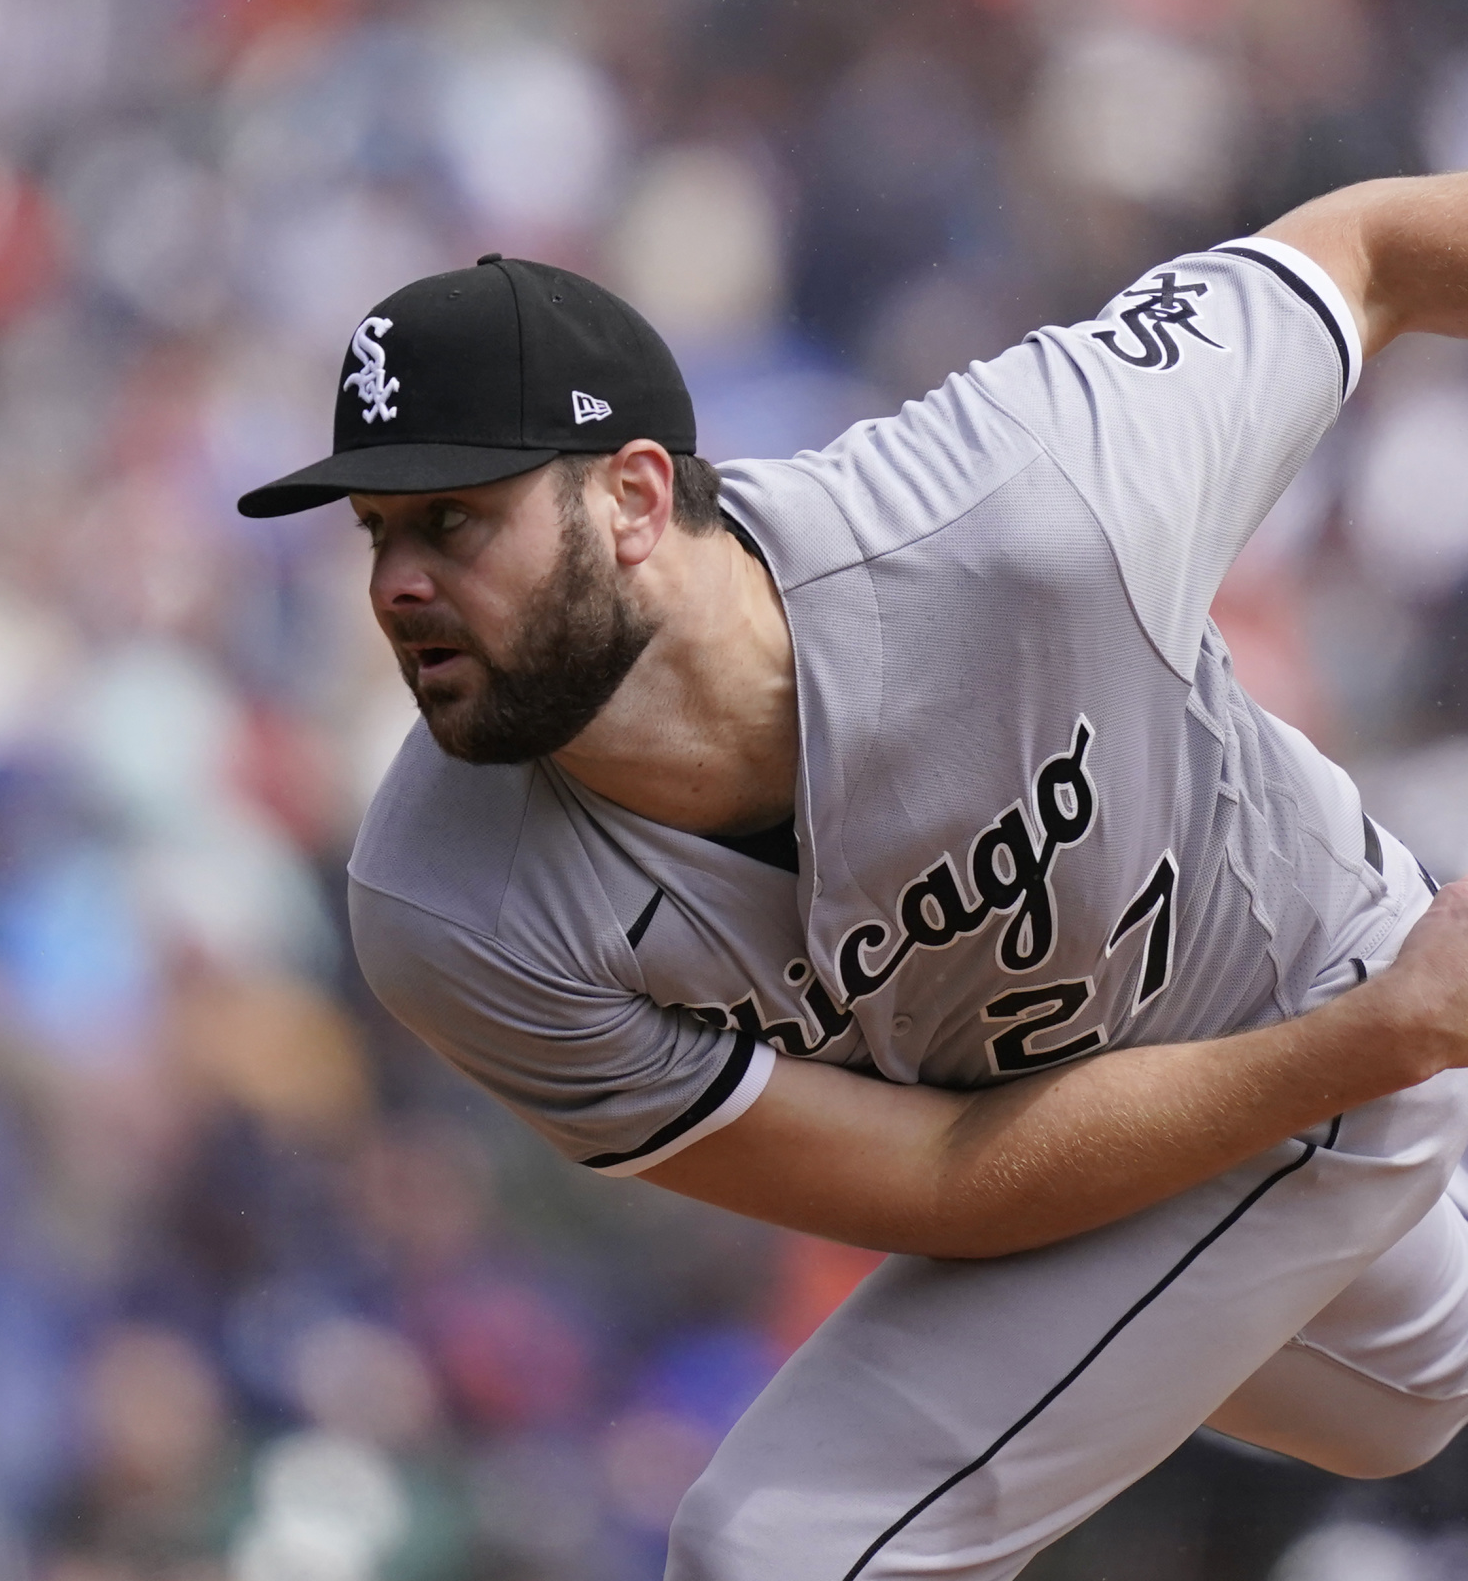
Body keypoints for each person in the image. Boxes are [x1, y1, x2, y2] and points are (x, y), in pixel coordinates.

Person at [238, 180, 1468, 1580]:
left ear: (636, 496)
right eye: (377, 533)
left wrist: (1379, 1039)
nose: (396, 584)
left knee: (790, 1549)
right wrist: (1374, 1047)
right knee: (1407, 1405)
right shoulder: (449, 913)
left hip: (1328, 1012)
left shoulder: (1021, 501)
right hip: (1172, 1132)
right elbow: (943, 1184)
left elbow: (1365, 253)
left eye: (450, 522)